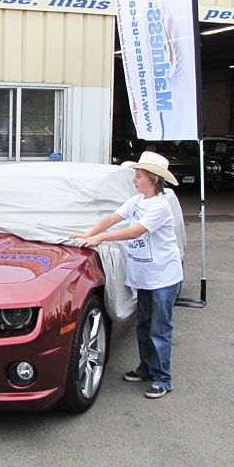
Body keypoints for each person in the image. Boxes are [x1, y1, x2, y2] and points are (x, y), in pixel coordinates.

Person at [69, 151, 183, 399]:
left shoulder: (160, 206)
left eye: (139, 176)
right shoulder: (137, 201)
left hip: (163, 277)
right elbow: (112, 218)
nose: (134, 180)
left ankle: (163, 378)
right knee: (144, 325)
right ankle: (145, 368)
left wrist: (99, 238)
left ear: (153, 179)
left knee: (159, 328)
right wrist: (88, 234)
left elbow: (135, 231)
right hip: (145, 276)